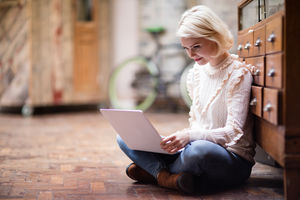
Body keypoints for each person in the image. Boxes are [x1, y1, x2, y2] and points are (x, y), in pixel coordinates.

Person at [117, 5, 255, 194]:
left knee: (198, 152)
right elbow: (199, 125)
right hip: (193, 147)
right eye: (186, 48)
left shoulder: (239, 74)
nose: (191, 54)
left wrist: (188, 136)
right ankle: (167, 177)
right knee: (124, 136)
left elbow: (233, 132)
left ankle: (153, 172)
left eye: (196, 46)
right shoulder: (196, 73)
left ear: (215, 37)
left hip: (231, 160)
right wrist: (175, 140)